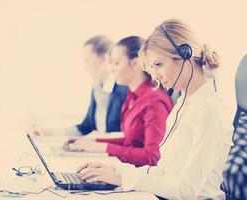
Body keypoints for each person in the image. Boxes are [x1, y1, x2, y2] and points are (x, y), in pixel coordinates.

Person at [76, 19, 234, 199]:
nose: (155, 76)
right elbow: (165, 173)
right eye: (152, 68)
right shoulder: (183, 104)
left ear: (184, 55)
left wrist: (122, 178)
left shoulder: (209, 111)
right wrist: (116, 170)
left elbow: (187, 190)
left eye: (158, 64)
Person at [65, 36, 173, 167]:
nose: (111, 69)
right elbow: (130, 141)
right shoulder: (132, 97)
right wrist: (93, 142)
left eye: (116, 63)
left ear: (135, 63)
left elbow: (152, 157)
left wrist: (101, 147)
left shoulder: (154, 101)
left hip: (144, 180)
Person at [32, 35, 127, 137]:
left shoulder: (124, 89)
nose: (85, 66)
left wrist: (97, 139)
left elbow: (128, 135)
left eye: (87, 60)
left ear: (104, 59)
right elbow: (85, 128)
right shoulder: (97, 89)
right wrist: (49, 132)